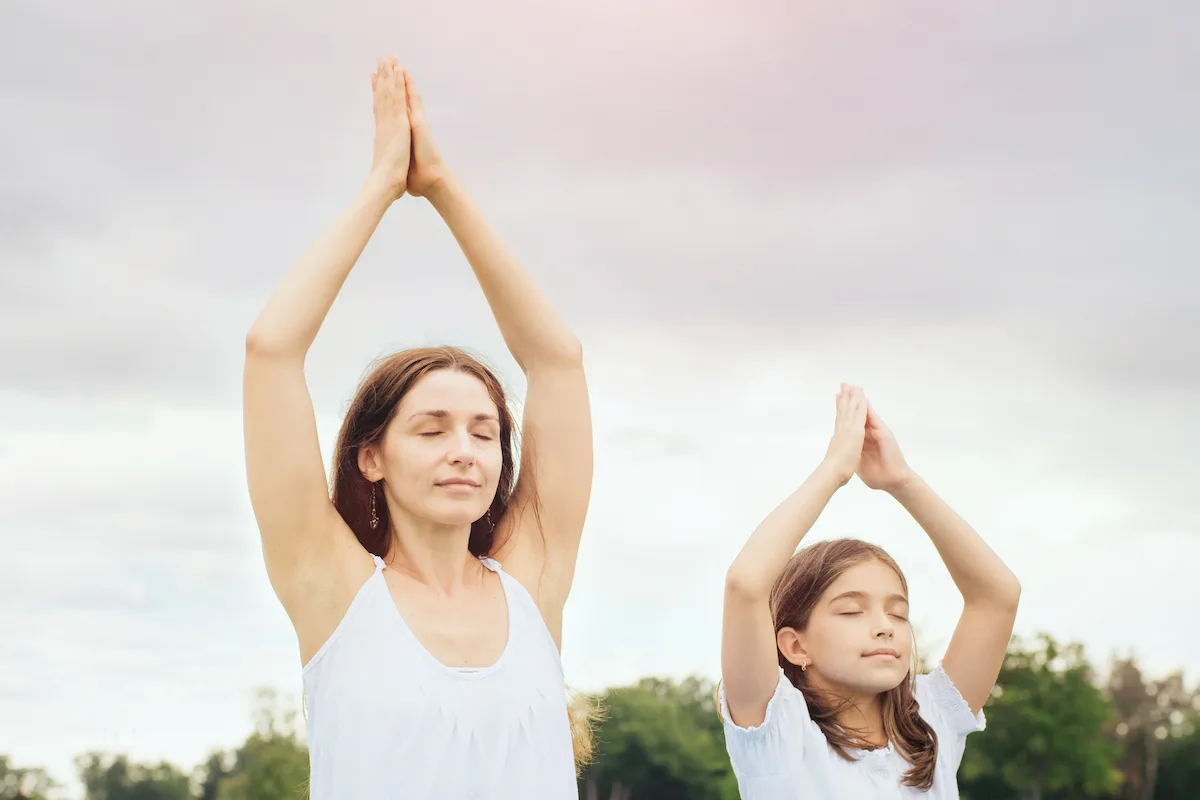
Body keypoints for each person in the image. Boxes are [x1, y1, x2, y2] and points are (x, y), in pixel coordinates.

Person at [242, 56, 592, 799]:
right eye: (431, 430)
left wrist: (442, 186)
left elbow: (557, 361)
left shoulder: (534, 581)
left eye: (484, 432)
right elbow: (272, 351)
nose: (464, 451)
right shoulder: (331, 587)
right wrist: (381, 186)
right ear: (372, 457)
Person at [720, 384, 1021, 798]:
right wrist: (834, 471)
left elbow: (997, 596)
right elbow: (746, 584)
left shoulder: (933, 721)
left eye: (897, 613)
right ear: (794, 646)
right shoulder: (777, 734)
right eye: (851, 611)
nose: (885, 627)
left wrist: (902, 481)